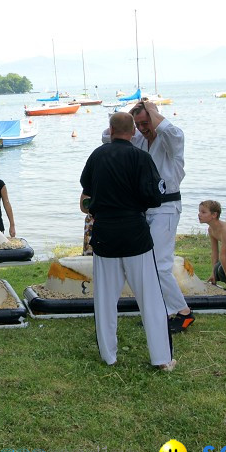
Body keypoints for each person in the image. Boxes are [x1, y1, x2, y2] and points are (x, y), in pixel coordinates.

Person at [80, 112, 174, 371]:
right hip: (134, 233)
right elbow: (154, 197)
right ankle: (161, 358)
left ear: (110, 130)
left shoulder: (97, 156)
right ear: (133, 132)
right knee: (151, 299)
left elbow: (86, 188)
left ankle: (109, 355)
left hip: (106, 234)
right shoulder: (141, 157)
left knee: (105, 300)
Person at [103, 100, 194, 333]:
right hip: (143, 209)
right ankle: (161, 312)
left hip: (167, 207)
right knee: (146, 263)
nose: (143, 127)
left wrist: (152, 112)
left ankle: (183, 312)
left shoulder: (171, 140)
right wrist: (127, 116)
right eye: (138, 124)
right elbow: (108, 137)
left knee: (160, 264)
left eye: (146, 122)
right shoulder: (139, 140)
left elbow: (170, 131)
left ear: (155, 117)